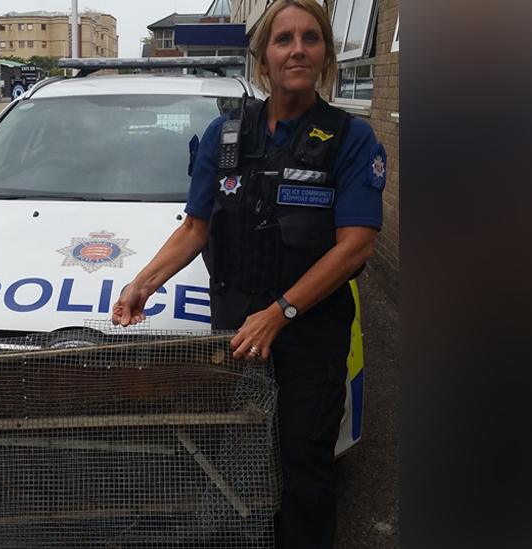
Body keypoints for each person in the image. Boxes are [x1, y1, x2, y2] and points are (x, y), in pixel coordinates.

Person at [111, 0, 386, 547]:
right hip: (235, 332)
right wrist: (142, 284)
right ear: (263, 60)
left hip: (308, 336)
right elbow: (195, 228)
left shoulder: (350, 141)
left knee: (303, 467)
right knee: (233, 457)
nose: (298, 49)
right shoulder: (224, 137)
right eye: (284, 40)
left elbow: (354, 246)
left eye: (311, 38)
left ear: (326, 54)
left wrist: (279, 314)